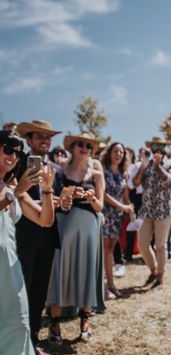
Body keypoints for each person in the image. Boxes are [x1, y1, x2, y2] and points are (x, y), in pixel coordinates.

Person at [0, 130, 56, 355]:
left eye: (19, 151)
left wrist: (46, 189)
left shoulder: (14, 190)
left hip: (9, 271)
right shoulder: (10, 190)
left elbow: (45, 220)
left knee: (19, 329)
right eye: (8, 147)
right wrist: (15, 188)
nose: (14, 154)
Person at [14, 120, 64, 355]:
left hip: (47, 234)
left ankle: (33, 341)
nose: (45, 141)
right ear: (29, 140)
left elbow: (53, 202)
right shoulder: (18, 162)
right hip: (23, 236)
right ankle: (18, 345)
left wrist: (60, 202)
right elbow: (16, 195)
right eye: (40, 137)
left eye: (48, 137)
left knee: (39, 291)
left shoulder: (53, 168)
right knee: (22, 290)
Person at [47, 132, 105, 343]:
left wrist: (90, 198)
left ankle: (85, 321)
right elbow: (54, 201)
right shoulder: (60, 171)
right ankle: (54, 323)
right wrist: (67, 196)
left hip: (88, 228)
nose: (84, 148)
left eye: (88, 146)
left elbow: (100, 206)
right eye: (80, 144)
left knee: (85, 271)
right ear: (72, 147)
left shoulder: (96, 174)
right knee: (60, 270)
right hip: (64, 226)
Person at [133, 137, 171, 289]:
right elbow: (135, 183)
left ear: (165, 149)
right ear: (151, 148)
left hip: (164, 211)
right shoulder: (146, 165)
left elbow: (170, 181)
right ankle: (153, 270)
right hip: (147, 210)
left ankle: (160, 274)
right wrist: (142, 167)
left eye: (161, 146)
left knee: (160, 245)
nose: (158, 149)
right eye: (155, 146)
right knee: (142, 243)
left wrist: (158, 167)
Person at [101, 142, 133, 298]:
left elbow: (125, 195)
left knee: (110, 251)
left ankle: (111, 284)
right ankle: (101, 287)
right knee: (102, 250)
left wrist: (129, 211)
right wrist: (121, 206)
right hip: (105, 213)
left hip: (117, 216)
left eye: (121, 152)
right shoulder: (103, 170)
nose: (118, 154)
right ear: (109, 153)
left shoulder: (123, 173)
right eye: (116, 151)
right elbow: (103, 194)